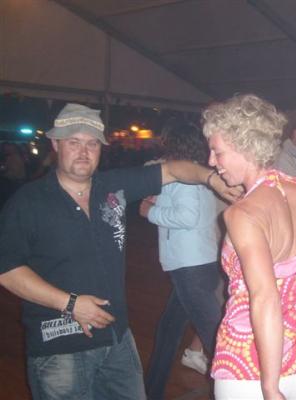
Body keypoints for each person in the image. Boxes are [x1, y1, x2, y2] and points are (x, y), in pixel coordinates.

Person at [0, 103, 240, 400]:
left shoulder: (112, 186)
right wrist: (70, 304)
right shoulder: (30, 201)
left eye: (92, 144)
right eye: (74, 142)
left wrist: (212, 179)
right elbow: (7, 270)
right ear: (56, 144)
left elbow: (174, 169)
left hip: (116, 339)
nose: (84, 152)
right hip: (59, 345)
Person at [202, 94, 296, 399]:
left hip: (251, 363)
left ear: (244, 147)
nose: (211, 161)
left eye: (217, 152)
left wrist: (270, 386)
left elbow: (265, 298)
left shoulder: (243, 213)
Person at [140, 120, 223, 399]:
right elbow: (192, 213)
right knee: (168, 332)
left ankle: (243, 389)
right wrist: (159, 202)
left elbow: (186, 217)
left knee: (217, 340)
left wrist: (149, 212)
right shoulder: (198, 174)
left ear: (172, 143)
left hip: (191, 267)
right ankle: (151, 391)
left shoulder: (182, 177)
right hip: (200, 262)